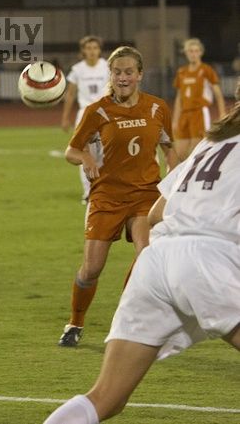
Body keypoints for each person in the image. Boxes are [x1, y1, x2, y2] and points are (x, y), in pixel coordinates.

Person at [43, 101, 240, 424]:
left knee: (105, 398)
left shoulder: (212, 141)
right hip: (207, 263)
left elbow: (156, 213)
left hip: (156, 261)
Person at [58, 46, 179, 347]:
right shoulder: (97, 110)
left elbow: (169, 147)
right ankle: (75, 322)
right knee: (91, 269)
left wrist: (175, 175)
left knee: (147, 257)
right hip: (107, 196)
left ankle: (124, 320)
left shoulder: (157, 108)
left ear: (139, 74)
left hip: (145, 195)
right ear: (110, 75)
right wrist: (86, 157)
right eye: (117, 72)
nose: (123, 78)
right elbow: (71, 150)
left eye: (128, 72)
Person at [61, 36, 110, 204]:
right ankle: (88, 192)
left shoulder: (107, 67)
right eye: (88, 48)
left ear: (99, 50)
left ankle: (104, 188)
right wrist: (65, 117)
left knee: (106, 152)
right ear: (83, 51)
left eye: (95, 47)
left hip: (105, 113)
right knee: (84, 153)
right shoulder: (77, 70)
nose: (92, 51)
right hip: (84, 114)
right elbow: (71, 94)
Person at [172, 38, 226, 161]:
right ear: (186, 53)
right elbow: (179, 97)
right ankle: (184, 178)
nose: (193, 54)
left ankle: (198, 177)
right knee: (179, 153)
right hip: (184, 115)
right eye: (190, 51)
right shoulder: (181, 72)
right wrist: (175, 119)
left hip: (199, 112)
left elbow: (217, 93)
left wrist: (222, 113)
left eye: (196, 51)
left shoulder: (206, 70)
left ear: (201, 52)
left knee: (198, 150)